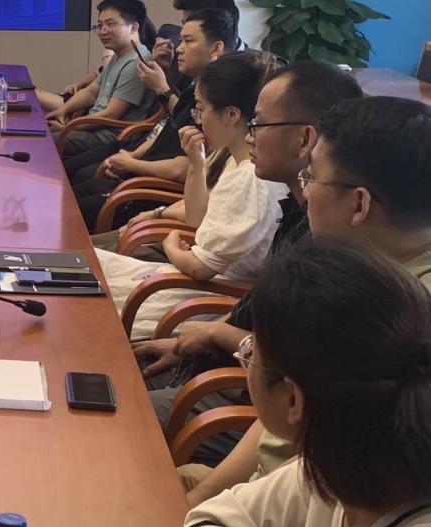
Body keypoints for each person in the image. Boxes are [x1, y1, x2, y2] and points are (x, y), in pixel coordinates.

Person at [180, 95, 431, 507]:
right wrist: (206, 494)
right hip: (249, 495)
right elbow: (277, 421)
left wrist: (207, 508)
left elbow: (324, 480)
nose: (305, 193)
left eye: (311, 178)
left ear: (359, 204)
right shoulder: (357, 276)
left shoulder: (394, 320)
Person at [133, 61, 365, 466]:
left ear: (305, 140)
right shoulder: (297, 217)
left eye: (260, 123)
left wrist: (216, 334)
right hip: (220, 365)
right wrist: (199, 339)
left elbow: (289, 378)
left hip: (237, 395)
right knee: (108, 375)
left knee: (115, 410)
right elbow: (257, 315)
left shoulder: (336, 254)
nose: (251, 135)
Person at [178, 238, 431, 527]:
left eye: (251, 351)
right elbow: (212, 521)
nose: (246, 357)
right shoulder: (340, 464)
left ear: (293, 399)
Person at [94, 53, 288, 339]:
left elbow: (200, 267)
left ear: (231, 115)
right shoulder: (231, 156)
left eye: (200, 109)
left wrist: (171, 243)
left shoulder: (252, 177)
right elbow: (198, 218)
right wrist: (197, 164)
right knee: (91, 265)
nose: (197, 119)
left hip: (209, 295)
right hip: (199, 280)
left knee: (92, 292)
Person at [65, 9, 237, 230]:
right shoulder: (194, 89)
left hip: (153, 191)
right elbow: (165, 132)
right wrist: (132, 156)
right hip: (140, 175)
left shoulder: (218, 104)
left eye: (188, 41)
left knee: (67, 213)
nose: (179, 48)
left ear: (216, 48)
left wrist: (133, 163)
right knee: (67, 195)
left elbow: (186, 166)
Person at [38, 0, 156, 158]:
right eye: (100, 25)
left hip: (109, 137)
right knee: (39, 134)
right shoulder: (119, 55)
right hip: (94, 127)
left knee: (42, 142)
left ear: (133, 28)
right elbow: (91, 91)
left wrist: (67, 127)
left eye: (110, 24)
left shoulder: (137, 63)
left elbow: (111, 114)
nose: (103, 31)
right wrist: (63, 110)